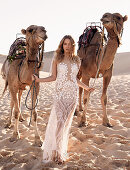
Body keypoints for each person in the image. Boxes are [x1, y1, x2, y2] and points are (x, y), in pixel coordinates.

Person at [32, 35, 94, 164]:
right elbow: (53, 77)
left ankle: (59, 150)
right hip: (60, 95)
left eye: (70, 44)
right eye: (65, 44)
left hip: (72, 95)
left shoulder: (77, 60)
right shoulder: (57, 59)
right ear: (62, 45)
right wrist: (39, 80)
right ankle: (57, 152)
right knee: (59, 123)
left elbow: (74, 79)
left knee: (65, 125)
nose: (67, 46)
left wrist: (86, 87)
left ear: (73, 46)